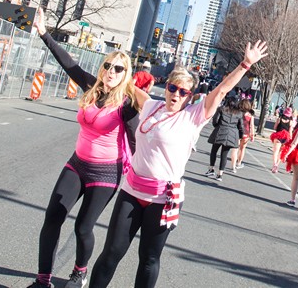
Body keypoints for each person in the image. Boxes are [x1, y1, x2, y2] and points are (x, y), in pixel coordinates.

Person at [87, 40, 268, 288]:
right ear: (167, 87)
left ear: (189, 96)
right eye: (173, 88)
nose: (176, 94)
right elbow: (123, 82)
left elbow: (222, 90)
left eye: (183, 92)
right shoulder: (151, 106)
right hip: (131, 191)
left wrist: (246, 64)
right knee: (111, 253)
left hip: (163, 198)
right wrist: (113, 67)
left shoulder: (193, 116)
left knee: (149, 258)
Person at [27, 14, 146, 288]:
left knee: (83, 227)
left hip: (105, 173)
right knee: (53, 216)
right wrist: (44, 33)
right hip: (77, 164)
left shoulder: (127, 105)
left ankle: (80, 273)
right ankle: (43, 280)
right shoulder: (92, 88)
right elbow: (69, 64)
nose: (111, 72)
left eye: (118, 69)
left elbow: (138, 141)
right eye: (108, 66)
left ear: (124, 75)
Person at [204, 92, 243, 180]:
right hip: (232, 134)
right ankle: (220, 174)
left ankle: (211, 169)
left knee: (214, 151)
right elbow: (241, 126)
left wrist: (217, 126)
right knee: (224, 155)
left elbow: (215, 121)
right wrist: (240, 136)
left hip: (220, 131)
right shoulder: (239, 113)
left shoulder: (221, 109)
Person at [268, 106, 294, 173]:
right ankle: (277, 165)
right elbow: (290, 132)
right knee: (280, 152)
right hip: (285, 138)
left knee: (275, 152)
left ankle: (274, 165)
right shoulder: (291, 122)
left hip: (278, 136)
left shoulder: (279, 119)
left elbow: (275, 127)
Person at [234, 97, 255, 170]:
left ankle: (234, 163)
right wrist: (252, 135)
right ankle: (239, 163)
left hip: (237, 131)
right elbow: (252, 125)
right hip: (246, 133)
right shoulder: (250, 115)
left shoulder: (238, 112)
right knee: (242, 149)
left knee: (236, 148)